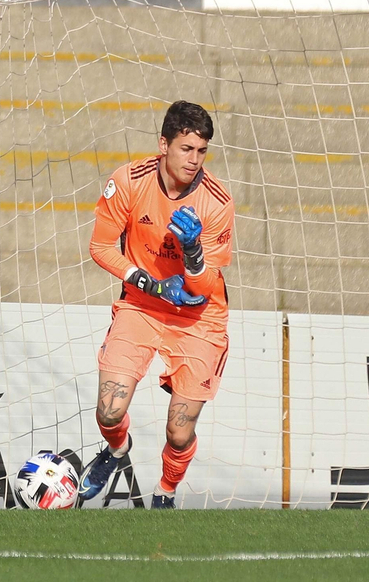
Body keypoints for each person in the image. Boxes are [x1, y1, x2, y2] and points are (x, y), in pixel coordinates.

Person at [79, 101, 235, 509]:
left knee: (179, 433)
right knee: (109, 411)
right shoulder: (129, 182)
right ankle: (116, 451)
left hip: (199, 319)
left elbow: (200, 288)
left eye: (201, 151)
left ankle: (165, 492)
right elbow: (99, 247)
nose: (194, 160)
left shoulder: (216, 203)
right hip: (143, 305)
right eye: (186, 149)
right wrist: (151, 284)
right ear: (163, 144)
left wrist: (193, 250)